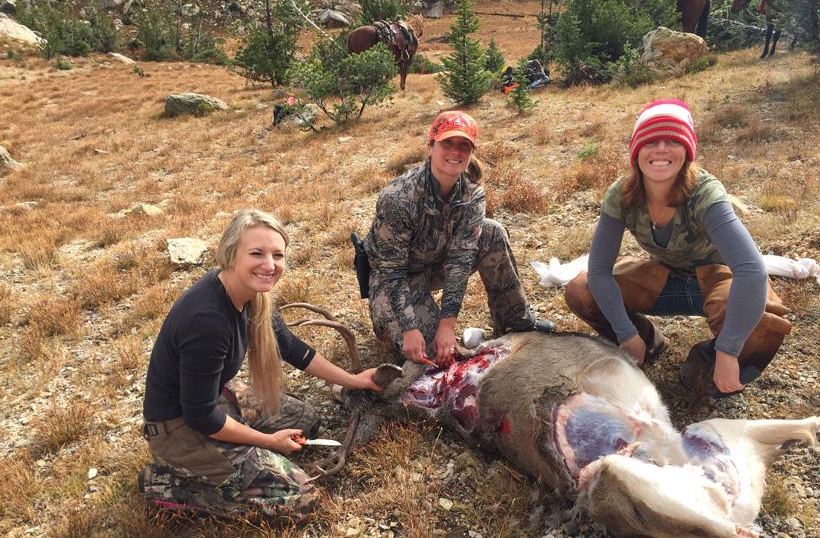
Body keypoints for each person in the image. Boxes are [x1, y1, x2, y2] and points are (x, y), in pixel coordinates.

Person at [139, 209, 381, 521]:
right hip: (179, 429)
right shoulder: (207, 321)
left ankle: (240, 458)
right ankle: (167, 484)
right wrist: (268, 442)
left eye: (277, 255)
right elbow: (201, 417)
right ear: (231, 254)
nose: (269, 265)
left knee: (306, 421)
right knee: (302, 498)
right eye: (257, 253)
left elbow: (293, 349)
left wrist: (354, 380)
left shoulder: (251, 294)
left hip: (214, 401)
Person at [564, 99, 792, 397]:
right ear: (636, 152)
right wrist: (626, 332)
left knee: (753, 329)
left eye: (672, 140)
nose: (661, 149)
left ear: (687, 150)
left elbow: (751, 272)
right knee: (581, 290)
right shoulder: (621, 194)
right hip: (664, 277)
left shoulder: (706, 193)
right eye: (650, 142)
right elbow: (598, 270)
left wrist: (728, 350)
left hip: (718, 280)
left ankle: (708, 360)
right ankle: (647, 342)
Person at [364, 111, 554, 368]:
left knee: (492, 231)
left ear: (471, 153)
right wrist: (409, 328)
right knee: (432, 356)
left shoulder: (472, 195)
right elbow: (391, 271)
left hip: (437, 261)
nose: (455, 151)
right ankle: (391, 322)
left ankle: (515, 322)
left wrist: (448, 324)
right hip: (397, 277)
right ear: (430, 147)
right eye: (447, 143)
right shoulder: (398, 198)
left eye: (464, 145)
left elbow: (461, 259)